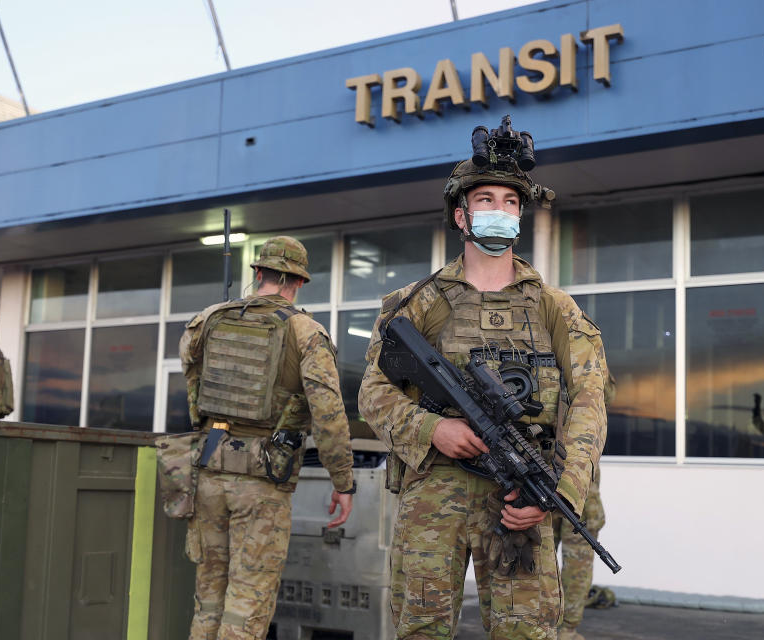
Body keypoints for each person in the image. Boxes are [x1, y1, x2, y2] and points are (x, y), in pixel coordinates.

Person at [359, 123, 607, 639]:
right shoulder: (419, 301)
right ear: (461, 215)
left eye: (511, 201)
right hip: (435, 494)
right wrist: (432, 430)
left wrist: (559, 491)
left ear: (521, 214)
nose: (501, 208)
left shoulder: (553, 306)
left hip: (521, 493)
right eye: (486, 198)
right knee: (421, 629)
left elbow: (589, 400)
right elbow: (373, 392)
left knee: (528, 632)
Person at [179, 236, 356, 640]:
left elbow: (192, 378)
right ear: (299, 281)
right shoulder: (306, 332)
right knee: (248, 604)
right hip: (261, 482)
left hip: (206, 470)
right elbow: (328, 413)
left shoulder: (207, 319)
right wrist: (343, 482)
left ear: (258, 273)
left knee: (208, 598)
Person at [553, 371, 616, 640]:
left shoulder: (588, 355)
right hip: (539, 476)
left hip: (581, 489)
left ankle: (566, 629)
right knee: (534, 558)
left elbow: (607, 396)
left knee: (578, 561)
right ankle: (544, 626)